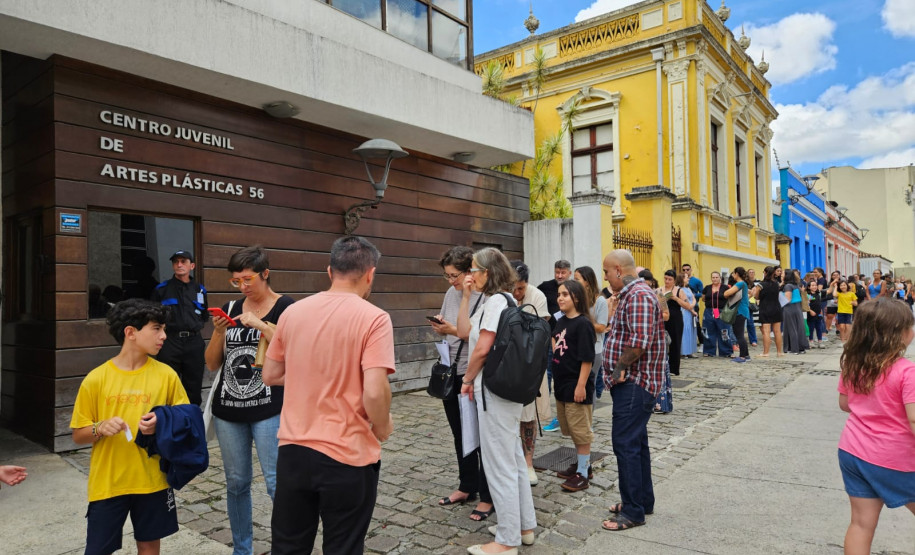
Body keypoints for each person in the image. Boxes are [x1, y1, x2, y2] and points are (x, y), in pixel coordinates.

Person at [263, 236, 394, 555]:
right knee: (344, 547)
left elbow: (270, 374)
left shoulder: (292, 313)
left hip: (294, 450)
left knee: (288, 546)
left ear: (329, 271)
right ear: (370, 274)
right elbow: (375, 391)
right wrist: (383, 426)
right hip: (347, 454)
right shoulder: (375, 318)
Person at [70, 299, 190, 555]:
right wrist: (99, 428)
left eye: (164, 329)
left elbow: (186, 422)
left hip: (153, 481)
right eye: (157, 328)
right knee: (97, 550)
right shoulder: (96, 379)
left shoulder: (167, 375)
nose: (164, 336)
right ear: (131, 332)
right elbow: (78, 435)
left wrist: (163, 423)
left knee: (149, 547)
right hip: (108, 483)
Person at [203, 246, 295, 555]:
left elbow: (295, 348)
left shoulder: (286, 306)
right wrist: (218, 333)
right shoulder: (231, 307)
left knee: (275, 482)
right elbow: (212, 363)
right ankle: (242, 549)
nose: (242, 287)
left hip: (269, 407)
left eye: (248, 279)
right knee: (237, 483)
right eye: (236, 281)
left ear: (265, 274)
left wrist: (261, 325)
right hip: (229, 409)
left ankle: (286, 547)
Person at [458, 247, 536, 554]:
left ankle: (506, 541)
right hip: (505, 392)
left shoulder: (494, 304)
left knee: (499, 463)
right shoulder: (500, 300)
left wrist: (466, 380)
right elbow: (466, 333)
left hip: (493, 393)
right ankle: (523, 526)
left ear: (487, 273)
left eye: (474, 269)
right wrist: (466, 296)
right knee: (513, 459)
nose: (470, 274)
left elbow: (481, 349)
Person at [836, 298, 915, 554]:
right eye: (909, 326)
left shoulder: (853, 364)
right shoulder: (907, 372)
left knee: (861, 524)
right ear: (897, 334)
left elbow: (845, 404)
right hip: (896, 459)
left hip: (853, 452)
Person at [600, 249, 667, 532]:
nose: (605, 278)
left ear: (618, 270)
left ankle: (632, 512)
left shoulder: (638, 295)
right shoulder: (632, 294)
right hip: (635, 383)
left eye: (606, 272)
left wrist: (618, 370)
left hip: (635, 383)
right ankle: (642, 501)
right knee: (637, 444)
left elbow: (639, 343)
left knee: (625, 444)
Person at [431, 247, 491, 506]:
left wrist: (452, 328)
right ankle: (467, 485)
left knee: (482, 435)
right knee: (460, 433)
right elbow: (449, 331)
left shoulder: (488, 297)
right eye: (447, 276)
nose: (451, 281)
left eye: (454, 275)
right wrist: (441, 327)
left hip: (475, 373)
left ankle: (488, 493)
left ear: (470, 272)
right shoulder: (450, 292)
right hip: (452, 371)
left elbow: (480, 335)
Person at [551, 279, 596, 492]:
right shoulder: (560, 321)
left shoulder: (583, 324)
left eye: (565, 294)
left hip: (576, 384)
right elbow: (555, 344)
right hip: (562, 384)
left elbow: (587, 358)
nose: (560, 298)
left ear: (576, 298)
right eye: (559, 294)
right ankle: (581, 464)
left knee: (581, 431)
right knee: (571, 429)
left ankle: (584, 473)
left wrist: (581, 386)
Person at [511, 260, 551, 486]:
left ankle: (528, 462)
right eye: (513, 288)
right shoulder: (501, 295)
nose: (517, 293)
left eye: (521, 289)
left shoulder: (537, 296)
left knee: (528, 417)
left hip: (530, 365)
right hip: (505, 366)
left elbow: (539, 334)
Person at [153, 250, 208, 405]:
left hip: (194, 341)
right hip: (170, 341)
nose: (179, 265)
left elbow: (204, 316)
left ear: (192, 265)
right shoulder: (161, 289)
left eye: (183, 261)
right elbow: (152, 317)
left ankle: (193, 419)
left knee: (194, 385)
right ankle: (169, 420)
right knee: (167, 383)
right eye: (176, 262)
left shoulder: (200, 290)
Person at [539, 260, 571, 432]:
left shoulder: (574, 288)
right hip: (549, 339)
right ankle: (546, 414)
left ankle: (564, 417)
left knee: (563, 378)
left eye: (563, 272)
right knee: (547, 377)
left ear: (569, 273)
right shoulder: (545, 287)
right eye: (557, 272)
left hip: (568, 340)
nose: (559, 275)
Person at [574, 266, 609, 396]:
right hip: (576, 348)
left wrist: (581, 323)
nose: (574, 282)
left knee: (588, 386)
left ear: (587, 281)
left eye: (577, 279)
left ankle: (588, 415)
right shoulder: (577, 299)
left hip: (594, 349)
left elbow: (601, 327)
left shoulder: (600, 301)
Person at [657, 270, 691, 373]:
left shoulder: (679, 290)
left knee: (675, 342)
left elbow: (687, 306)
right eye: (665, 279)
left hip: (675, 318)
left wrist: (675, 298)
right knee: (660, 341)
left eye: (670, 279)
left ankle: (674, 368)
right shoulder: (659, 290)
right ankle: (661, 366)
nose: (667, 281)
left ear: (674, 280)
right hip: (662, 316)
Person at [723, 267, 751, 363]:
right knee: (740, 334)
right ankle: (746, 354)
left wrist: (726, 293)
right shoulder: (744, 284)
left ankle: (742, 356)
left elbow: (726, 293)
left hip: (739, 311)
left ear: (737, 274)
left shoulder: (740, 283)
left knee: (739, 335)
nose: (732, 275)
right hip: (743, 311)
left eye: (733, 273)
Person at [701, 272, 733, 358]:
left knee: (724, 330)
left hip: (722, 311)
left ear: (720, 278)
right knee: (707, 331)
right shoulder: (707, 288)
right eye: (713, 277)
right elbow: (703, 298)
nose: (715, 279)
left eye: (716, 277)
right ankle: (709, 351)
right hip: (709, 311)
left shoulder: (725, 287)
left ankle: (726, 351)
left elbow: (730, 298)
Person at [755, 266, 784, 357]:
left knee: (766, 331)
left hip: (765, 308)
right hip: (776, 307)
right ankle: (779, 352)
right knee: (777, 331)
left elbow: (756, 297)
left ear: (765, 273)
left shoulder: (760, 285)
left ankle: (766, 352)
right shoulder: (776, 284)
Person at [781, 269, 809, 354]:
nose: (781, 275)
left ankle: (794, 348)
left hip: (789, 308)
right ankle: (800, 348)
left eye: (783, 274)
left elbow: (788, 299)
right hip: (797, 307)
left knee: (791, 328)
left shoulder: (788, 286)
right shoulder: (796, 285)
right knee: (798, 328)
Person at [681, 263, 704, 344]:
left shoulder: (697, 281)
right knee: (686, 327)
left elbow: (702, 293)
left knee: (696, 325)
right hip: (683, 307)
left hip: (694, 306)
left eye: (687, 269)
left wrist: (694, 295)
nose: (686, 271)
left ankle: (702, 342)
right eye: (683, 270)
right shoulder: (680, 281)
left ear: (691, 270)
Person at [679, 273, 698, 358]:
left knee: (691, 330)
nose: (688, 279)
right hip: (685, 311)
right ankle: (683, 351)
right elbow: (685, 302)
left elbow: (693, 298)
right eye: (686, 277)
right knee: (685, 330)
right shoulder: (679, 290)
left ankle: (690, 351)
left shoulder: (688, 289)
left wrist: (692, 305)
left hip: (690, 310)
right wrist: (691, 308)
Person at [807, 280, 827, 349]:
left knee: (819, 328)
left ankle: (820, 342)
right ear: (809, 287)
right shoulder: (807, 295)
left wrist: (821, 312)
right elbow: (806, 305)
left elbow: (819, 305)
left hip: (818, 315)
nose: (814, 287)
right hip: (811, 315)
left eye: (815, 285)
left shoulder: (818, 294)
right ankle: (811, 341)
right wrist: (810, 311)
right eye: (812, 285)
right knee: (811, 328)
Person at [826, 271, 842, 336]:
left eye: (837, 275)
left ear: (839, 276)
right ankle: (827, 328)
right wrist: (833, 283)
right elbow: (828, 291)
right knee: (830, 315)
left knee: (839, 317)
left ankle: (838, 329)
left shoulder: (842, 283)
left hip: (840, 302)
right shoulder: (829, 283)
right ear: (831, 276)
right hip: (831, 302)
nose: (835, 276)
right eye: (834, 275)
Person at [745, 268, 759, 346]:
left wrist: (750, 293)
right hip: (742, 304)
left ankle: (753, 340)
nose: (750, 274)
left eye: (752, 272)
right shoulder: (741, 283)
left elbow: (754, 292)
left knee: (750, 323)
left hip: (749, 303)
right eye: (749, 272)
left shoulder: (751, 283)